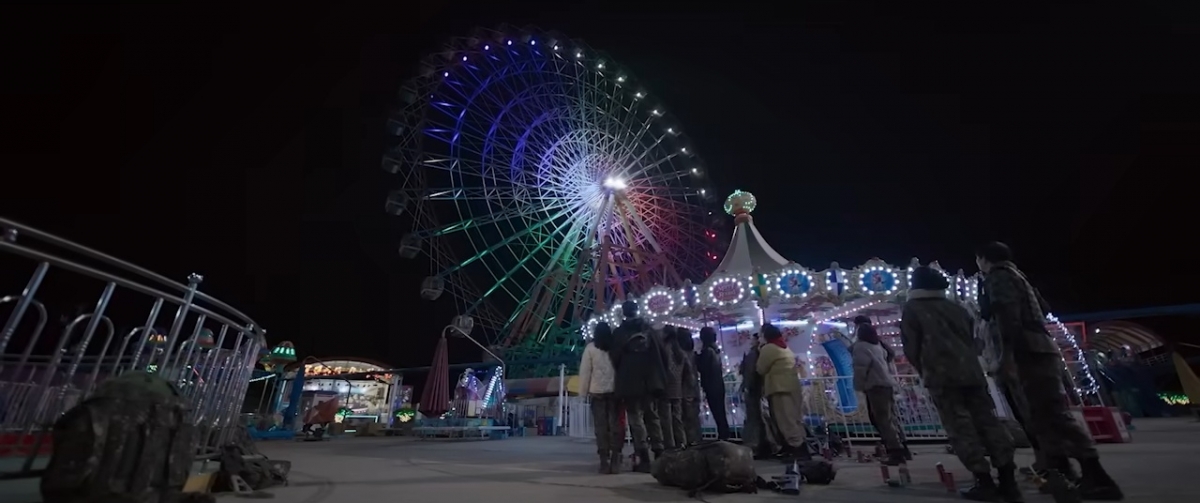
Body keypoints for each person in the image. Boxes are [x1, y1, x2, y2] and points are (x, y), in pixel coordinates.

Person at [977, 242, 1123, 500]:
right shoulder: (1019, 276)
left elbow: (1007, 318)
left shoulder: (998, 277)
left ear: (983, 259)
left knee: (1051, 414)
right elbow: (1043, 308)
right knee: (1043, 415)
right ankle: (1063, 471)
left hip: (1028, 352)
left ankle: (1096, 474)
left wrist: (1006, 356)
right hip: (1040, 349)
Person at [901, 266, 1020, 502]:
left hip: (942, 376)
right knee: (988, 421)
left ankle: (983, 480)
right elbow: (972, 339)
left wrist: (924, 369)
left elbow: (911, 347)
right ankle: (1008, 479)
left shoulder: (913, 309)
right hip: (972, 373)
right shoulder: (957, 309)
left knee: (960, 427)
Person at [612, 300, 667, 472]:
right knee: (652, 416)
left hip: (630, 382)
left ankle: (643, 457)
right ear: (637, 310)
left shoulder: (620, 333)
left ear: (624, 313)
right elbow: (661, 353)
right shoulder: (648, 330)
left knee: (636, 420)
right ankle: (659, 453)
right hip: (649, 380)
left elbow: (615, 358)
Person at [851, 315, 906, 465]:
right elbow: (889, 355)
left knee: (881, 420)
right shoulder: (878, 345)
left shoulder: (861, 347)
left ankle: (895, 451)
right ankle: (901, 447)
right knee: (889, 417)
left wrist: (858, 385)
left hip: (875, 385)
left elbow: (861, 368)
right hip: (886, 383)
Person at [756, 324, 810, 460]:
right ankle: (796, 446)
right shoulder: (784, 346)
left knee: (785, 419)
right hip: (792, 386)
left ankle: (797, 448)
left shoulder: (768, 348)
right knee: (794, 418)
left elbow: (760, 368)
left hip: (779, 388)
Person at [579, 322, 621, 474]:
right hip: (614, 391)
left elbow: (585, 373)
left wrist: (582, 393)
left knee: (600, 426)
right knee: (614, 425)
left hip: (597, 392)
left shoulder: (590, 349)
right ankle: (616, 457)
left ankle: (604, 460)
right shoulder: (615, 348)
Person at [738, 333, 779, 459]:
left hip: (753, 389)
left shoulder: (752, 354)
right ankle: (766, 443)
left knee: (754, 417)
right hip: (760, 388)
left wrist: (746, 386)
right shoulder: (759, 353)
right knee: (761, 417)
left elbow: (750, 372)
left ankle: (756, 445)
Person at [696, 327, 730, 440]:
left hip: (711, 385)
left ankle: (723, 436)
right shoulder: (715, 350)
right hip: (718, 384)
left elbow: (703, 368)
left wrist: (696, 358)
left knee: (717, 412)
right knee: (721, 412)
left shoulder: (707, 351)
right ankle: (725, 434)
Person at [657, 325, 685, 450]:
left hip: (667, 386)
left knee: (666, 418)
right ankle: (681, 441)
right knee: (677, 417)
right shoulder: (679, 350)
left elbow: (665, 367)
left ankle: (670, 443)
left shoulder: (665, 349)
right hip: (678, 387)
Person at [676, 327, 703, 446]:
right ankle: (696, 440)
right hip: (694, 389)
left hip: (684, 389)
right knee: (694, 418)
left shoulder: (680, 354)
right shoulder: (693, 354)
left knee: (686, 418)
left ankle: (689, 441)